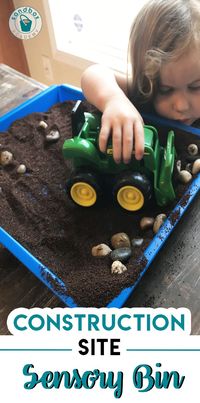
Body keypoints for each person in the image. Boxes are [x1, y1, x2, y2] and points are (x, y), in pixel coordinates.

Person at [81, 0, 200, 164]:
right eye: (165, 90)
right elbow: (93, 73)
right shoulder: (143, 93)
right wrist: (114, 101)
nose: (181, 106)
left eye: (196, 87)